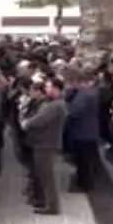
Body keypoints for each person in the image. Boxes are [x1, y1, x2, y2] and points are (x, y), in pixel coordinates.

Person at [22, 79, 67, 215]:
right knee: (44, 174)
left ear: (56, 88)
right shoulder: (52, 104)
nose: (46, 89)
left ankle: (52, 205)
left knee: (47, 176)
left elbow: (39, 120)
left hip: (45, 143)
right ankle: (48, 202)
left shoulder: (55, 106)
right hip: (43, 142)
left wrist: (27, 123)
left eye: (48, 86)